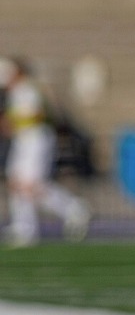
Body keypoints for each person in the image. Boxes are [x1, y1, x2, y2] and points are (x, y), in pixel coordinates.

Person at [3, 58, 90, 247]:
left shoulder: (28, 89)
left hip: (35, 141)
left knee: (31, 185)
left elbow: (36, 114)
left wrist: (13, 122)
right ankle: (25, 227)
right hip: (23, 141)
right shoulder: (17, 92)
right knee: (17, 182)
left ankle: (74, 209)